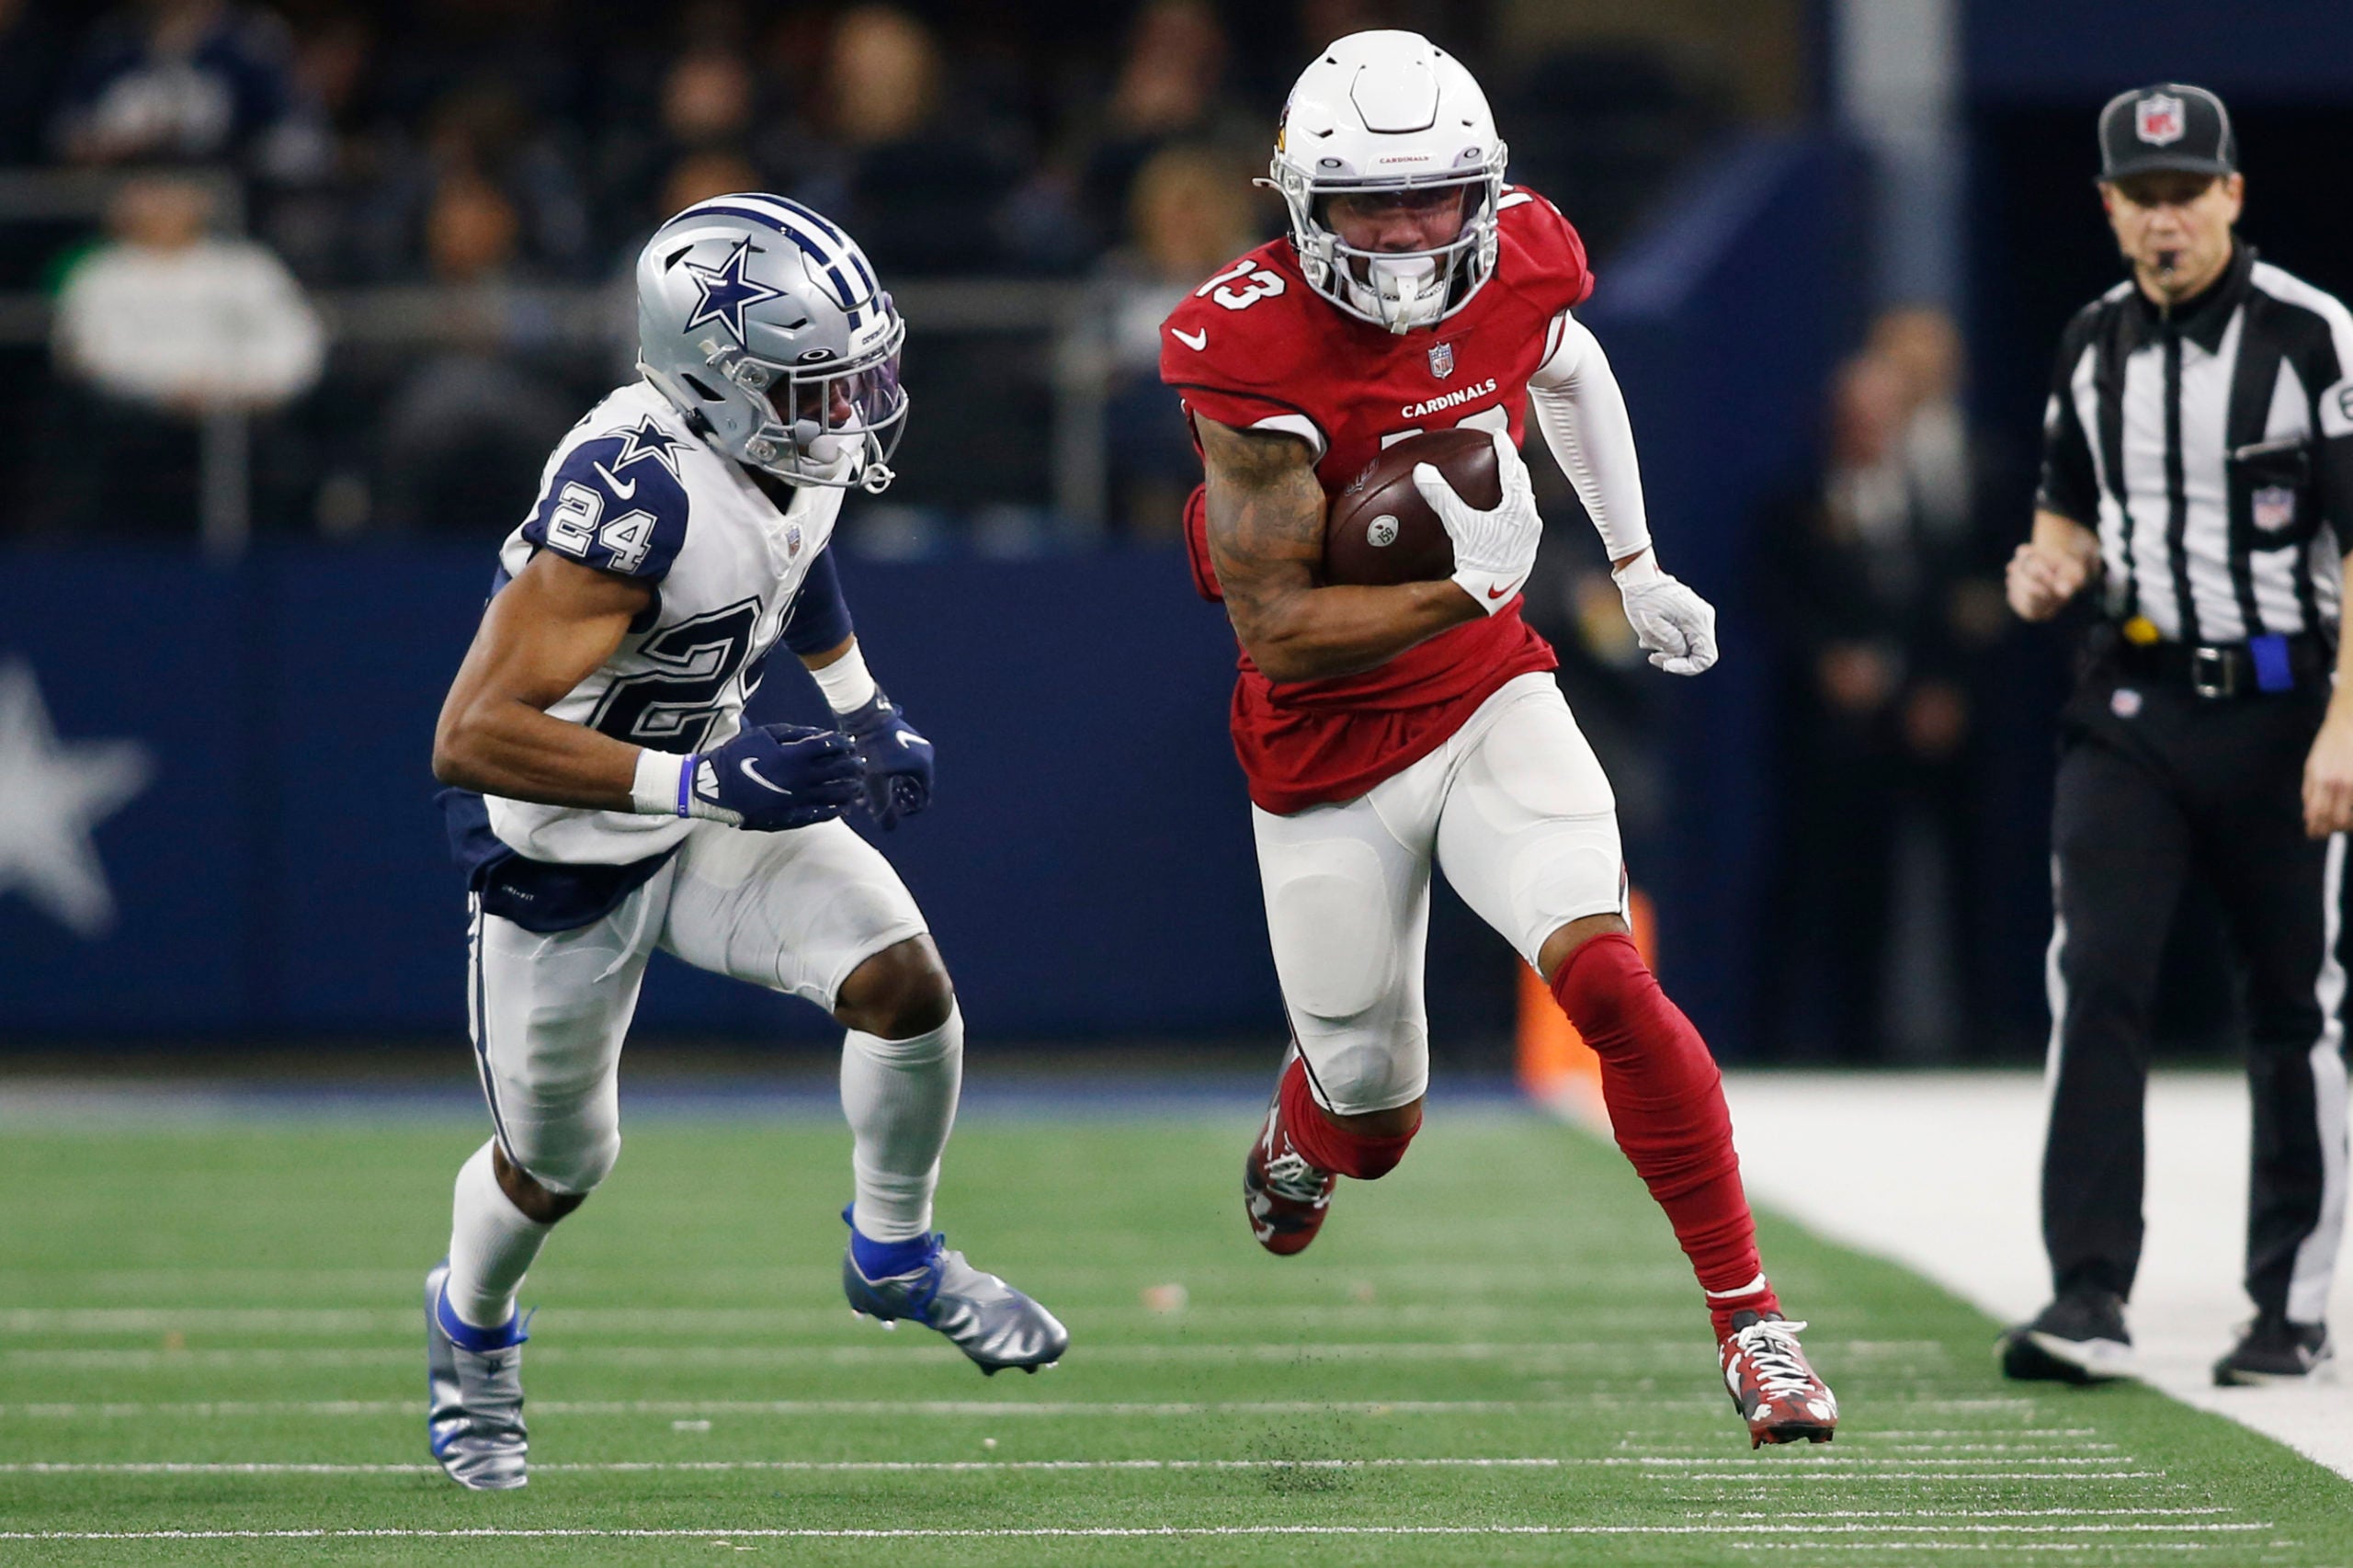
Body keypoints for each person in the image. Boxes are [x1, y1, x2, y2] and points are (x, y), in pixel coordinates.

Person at [1157, 30, 1837, 1448]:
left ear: (1483, 188)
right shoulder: (1248, 340)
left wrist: (1636, 560)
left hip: (1486, 698)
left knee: (1607, 975)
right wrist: (1457, 581)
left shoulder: (1522, 252)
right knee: (1378, 1119)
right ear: (1301, 204)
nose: (1407, 231)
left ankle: (1752, 1323)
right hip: (1323, 757)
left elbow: (1569, 370)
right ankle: (1310, 1117)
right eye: (1369, 202)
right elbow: (1274, 626)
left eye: (1434, 195)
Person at [424, 193, 1067, 1490]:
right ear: (717, 382)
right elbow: (473, 735)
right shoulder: (633, 495)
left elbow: (793, 552)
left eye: (857, 374)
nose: (855, 409)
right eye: (819, 384)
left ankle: (894, 1254)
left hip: (702, 799)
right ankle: (470, 1329)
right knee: (558, 1163)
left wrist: (860, 706)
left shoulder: (788, 453)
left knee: (902, 982)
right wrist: (701, 772)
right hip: (561, 843)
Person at [1999, 84, 2353, 1388]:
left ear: (2233, 195)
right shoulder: (2091, 346)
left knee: (2291, 1005)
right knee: (2096, 977)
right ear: (2107, 208)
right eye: (2139, 200)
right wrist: (2039, 573)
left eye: (2185, 194)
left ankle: (2291, 1301)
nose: (2164, 221)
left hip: (2281, 705)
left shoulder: (2316, 338)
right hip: (2135, 701)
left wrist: (2344, 726)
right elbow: (2062, 518)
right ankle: (2088, 1289)